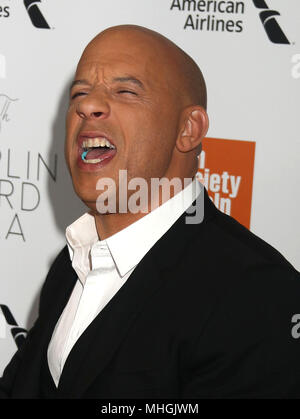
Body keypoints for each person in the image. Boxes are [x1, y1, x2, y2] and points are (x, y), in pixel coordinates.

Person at [1, 24, 300, 399]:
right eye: (79, 92)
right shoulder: (73, 263)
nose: (85, 105)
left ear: (189, 130)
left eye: (125, 91)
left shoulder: (259, 297)